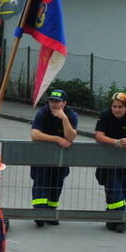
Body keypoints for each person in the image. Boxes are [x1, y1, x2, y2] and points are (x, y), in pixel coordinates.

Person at [94, 91, 126, 233]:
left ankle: (112, 217)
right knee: (113, 186)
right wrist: (115, 142)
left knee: (123, 187)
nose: (117, 109)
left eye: (120, 107)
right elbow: (99, 136)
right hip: (108, 157)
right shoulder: (105, 115)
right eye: (114, 106)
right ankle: (121, 218)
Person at [29, 88, 78, 226]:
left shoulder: (70, 115)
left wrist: (64, 118)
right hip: (41, 156)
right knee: (41, 181)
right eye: (51, 101)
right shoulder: (43, 112)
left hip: (60, 158)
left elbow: (71, 136)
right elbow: (35, 134)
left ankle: (50, 212)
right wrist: (57, 139)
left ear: (64, 103)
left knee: (56, 183)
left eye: (57, 102)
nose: (53, 104)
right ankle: (39, 212)